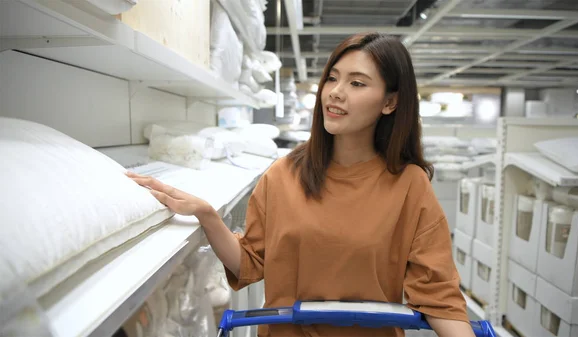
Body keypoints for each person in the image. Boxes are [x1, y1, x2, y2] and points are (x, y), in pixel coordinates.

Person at [127, 32, 474, 337]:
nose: (335, 93)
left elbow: (439, 296)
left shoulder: (408, 186)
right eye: (333, 78)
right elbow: (249, 263)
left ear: (390, 102)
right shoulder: (283, 175)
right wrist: (207, 214)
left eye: (356, 83)